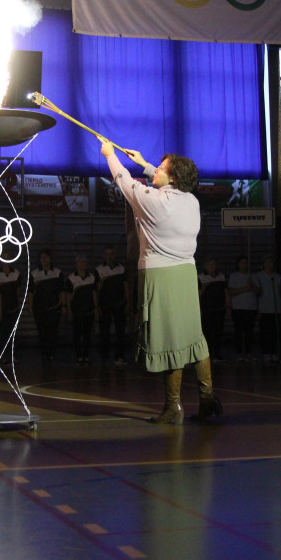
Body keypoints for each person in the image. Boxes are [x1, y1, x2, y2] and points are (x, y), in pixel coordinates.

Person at [101, 137, 221, 423]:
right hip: (186, 275)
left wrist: (109, 155)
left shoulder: (154, 201)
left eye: (160, 168)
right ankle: (207, 400)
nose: (155, 171)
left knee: (169, 341)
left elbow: (124, 181)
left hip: (160, 276)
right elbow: (166, 184)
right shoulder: (191, 201)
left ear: (173, 176)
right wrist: (143, 162)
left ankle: (172, 408)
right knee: (193, 340)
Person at [28, 248, 63, 364]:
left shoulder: (57, 272)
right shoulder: (33, 273)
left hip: (54, 308)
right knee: (42, 332)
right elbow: (30, 292)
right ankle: (44, 354)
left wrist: (63, 306)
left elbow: (61, 291)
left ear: (50, 259)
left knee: (53, 332)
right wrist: (31, 307)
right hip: (39, 309)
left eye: (47, 257)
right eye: (42, 257)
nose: (45, 260)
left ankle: (52, 354)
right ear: (39, 259)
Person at [96, 245, 129, 366]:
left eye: (111, 254)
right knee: (104, 332)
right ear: (104, 256)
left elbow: (125, 286)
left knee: (120, 332)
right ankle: (105, 357)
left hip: (119, 304)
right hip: (105, 306)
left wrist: (128, 302)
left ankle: (119, 356)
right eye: (107, 254)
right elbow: (96, 290)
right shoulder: (99, 270)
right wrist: (97, 306)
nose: (109, 257)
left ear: (114, 255)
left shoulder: (121, 268)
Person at [65, 255, 98, 366]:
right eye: (80, 262)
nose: (82, 264)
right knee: (77, 334)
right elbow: (68, 296)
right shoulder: (71, 278)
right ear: (76, 264)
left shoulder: (92, 277)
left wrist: (96, 307)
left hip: (89, 310)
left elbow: (94, 294)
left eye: (84, 262)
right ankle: (79, 356)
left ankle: (86, 355)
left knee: (87, 334)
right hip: (77, 311)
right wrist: (69, 310)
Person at [0, 254, 23, 365]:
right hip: (2, 309)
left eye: (7, 257)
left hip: (14, 308)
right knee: (4, 333)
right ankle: (5, 356)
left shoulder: (16, 273)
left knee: (13, 333)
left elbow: (18, 291)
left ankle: (13, 355)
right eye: (3, 257)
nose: (5, 259)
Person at [198, 256, 228, 363]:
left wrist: (228, 305)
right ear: (205, 266)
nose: (212, 266)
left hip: (219, 309)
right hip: (207, 310)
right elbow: (197, 294)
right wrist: (199, 309)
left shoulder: (221, 277)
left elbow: (226, 292)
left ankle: (216, 354)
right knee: (207, 332)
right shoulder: (201, 277)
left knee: (218, 332)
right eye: (209, 264)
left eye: (214, 264)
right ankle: (207, 354)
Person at [227, 256, 258, 362]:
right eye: (242, 262)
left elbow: (259, 291)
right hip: (238, 308)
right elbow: (231, 291)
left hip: (251, 308)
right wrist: (246, 288)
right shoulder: (234, 276)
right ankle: (239, 353)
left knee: (249, 332)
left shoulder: (253, 276)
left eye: (246, 262)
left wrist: (252, 286)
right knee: (239, 331)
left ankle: (249, 353)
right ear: (238, 264)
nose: (244, 265)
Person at [253, 255, 281, 363]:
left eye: (271, 262)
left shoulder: (277, 277)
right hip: (264, 308)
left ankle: (273, 352)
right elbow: (257, 293)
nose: (269, 264)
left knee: (274, 332)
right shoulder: (258, 276)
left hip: (276, 308)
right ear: (263, 264)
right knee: (265, 332)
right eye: (267, 262)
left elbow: (280, 292)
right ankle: (266, 353)